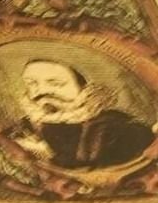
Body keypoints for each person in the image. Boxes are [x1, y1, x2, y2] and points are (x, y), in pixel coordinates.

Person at [12, 58, 155, 170]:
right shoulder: (23, 127)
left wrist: (47, 157)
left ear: (85, 87)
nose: (41, 91)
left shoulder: (122, 129)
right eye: (31, 83)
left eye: (56, 83)